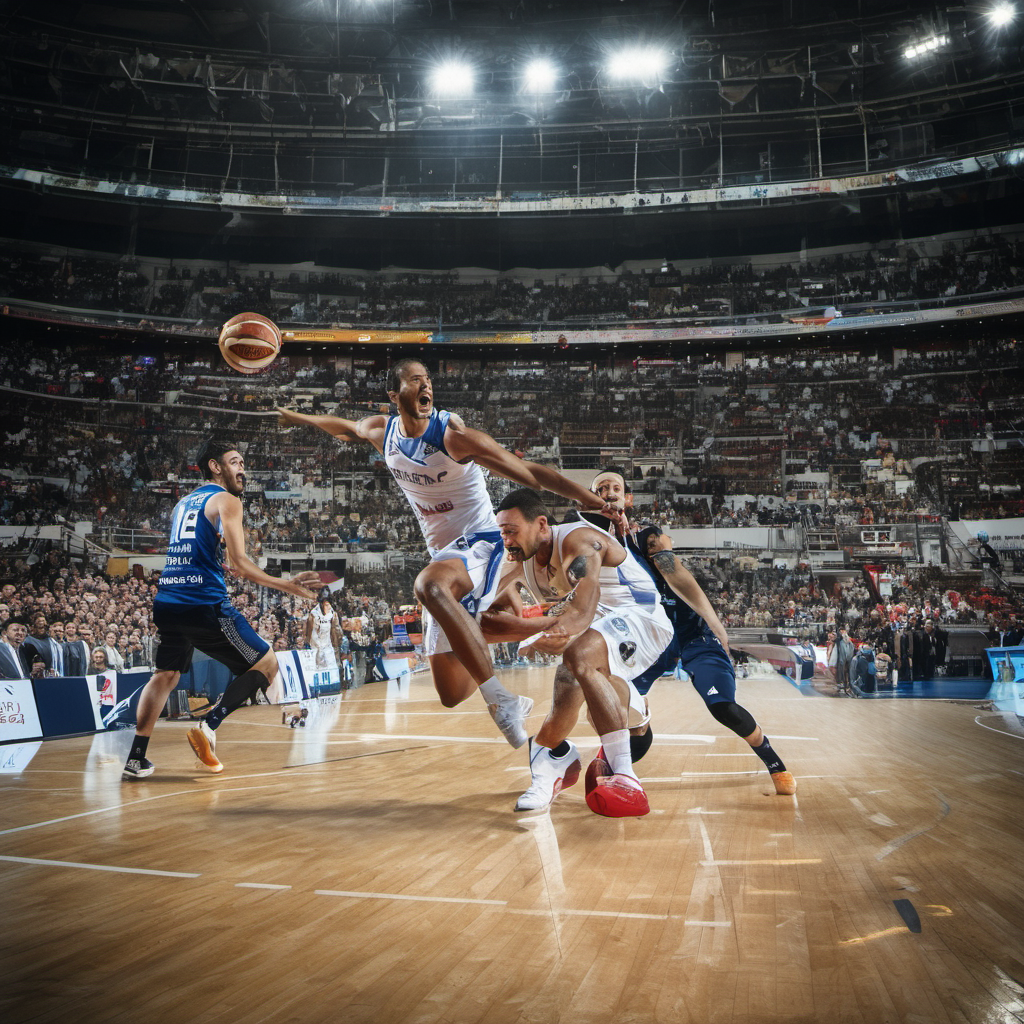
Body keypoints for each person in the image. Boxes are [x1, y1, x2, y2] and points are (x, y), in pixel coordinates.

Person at [276, 359, 614, 748]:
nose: (426, 385)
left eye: (428, 380)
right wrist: (295, 417)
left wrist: (590, 500)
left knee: (429, 586)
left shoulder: (454, 437)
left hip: (482, 540)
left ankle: (501, 700)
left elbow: (530, 473)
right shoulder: (382, 432)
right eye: (415, 380)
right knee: (451, 692)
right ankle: (525, 631)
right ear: (394, 394)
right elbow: (344, 428)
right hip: (445, 553)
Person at [122, 437, 319, 780]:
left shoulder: (183, 504)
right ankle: (208, 726)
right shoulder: (227, 500)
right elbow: (240, 564)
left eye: (243, 463)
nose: (243, 469)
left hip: (167, 601)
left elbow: (201, 549)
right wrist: (287, 584)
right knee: (267, 663)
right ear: (215, 466)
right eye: (235, 462)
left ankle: (136, 757)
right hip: (203, 602)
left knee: (165, 675)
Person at [483, 488, 675, 817]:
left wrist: (542, 631)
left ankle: (626, 776)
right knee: (567, 682)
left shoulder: (581, 541)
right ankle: (550, 758)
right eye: (502, 532)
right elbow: (488, 620)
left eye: (512, 531)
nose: (506, 540)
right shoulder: (519, 564)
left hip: (641, 616)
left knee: (580, 655)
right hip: (600, 626)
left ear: (541, 525)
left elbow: (582, 610)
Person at [305, 588, 340, 677]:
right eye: (326, 605)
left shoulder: (332, 613)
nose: (329, 607)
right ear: (321, 604)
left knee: (332, 669)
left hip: (328, 646)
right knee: (319, 670)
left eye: (329, 604)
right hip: (316, 646)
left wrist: (336, 645)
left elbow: (334, 629)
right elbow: (312, 634)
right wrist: (319, 649)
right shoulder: (314, 614)